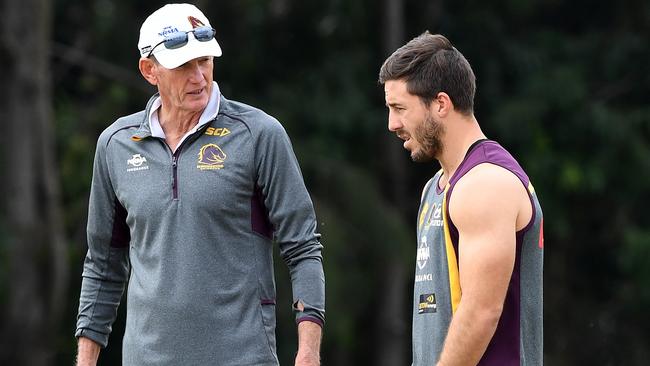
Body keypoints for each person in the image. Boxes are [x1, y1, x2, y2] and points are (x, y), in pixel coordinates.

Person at [75, 3, 324, 366]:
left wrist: (308, 352)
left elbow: (302, 246)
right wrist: (85, 360)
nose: (199, 77)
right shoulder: (115, 144)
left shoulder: (259, 135)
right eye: (184, 66)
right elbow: (102, 264)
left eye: (205, 61)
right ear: (150, 70)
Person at [378, 32, 544, 366]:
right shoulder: (436, 187)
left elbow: (482, 312)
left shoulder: (486, 183)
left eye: (399, 108)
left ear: (441, 103)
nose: (392, 124)